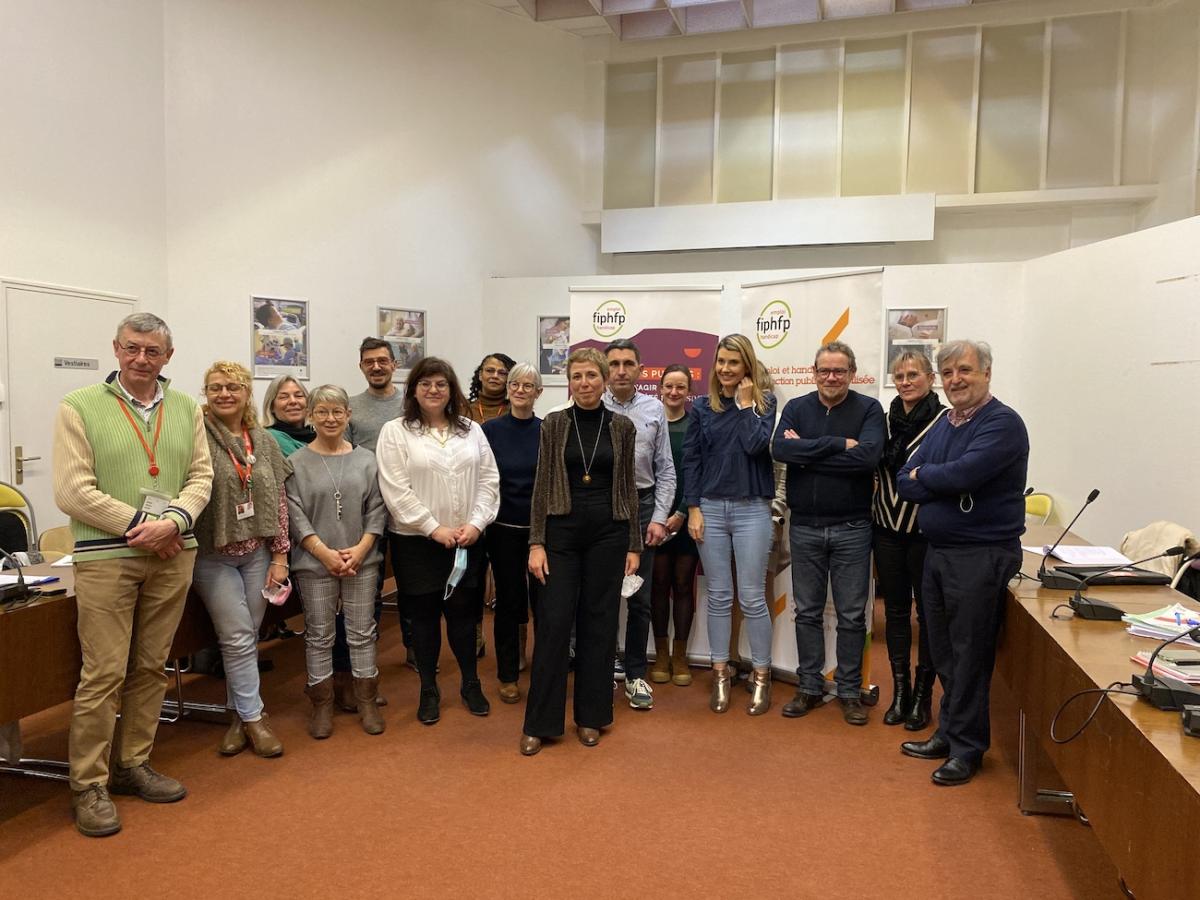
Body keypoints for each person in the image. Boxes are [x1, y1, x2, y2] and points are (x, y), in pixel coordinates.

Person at [52, 312, 213, 837]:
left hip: (173, 552)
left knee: (151, 667)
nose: (141, 359)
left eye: (152, 351)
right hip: (105, 557)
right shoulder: (79, 407)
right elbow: (73, 491)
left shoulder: (187, 407)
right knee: (102, 674)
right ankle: (88, 785)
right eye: (132, 349)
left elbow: (201, 477)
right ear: (116, 350)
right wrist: (144, 525)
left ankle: (131, 765)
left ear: (169, 356)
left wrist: (173, 523)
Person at [898, 340, 1028, 786]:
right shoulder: (944, 423)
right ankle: (950, 733)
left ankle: (968, 748)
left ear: (987, 372)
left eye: (965, 370)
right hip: (940, 551)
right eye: (949, 372)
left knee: (970, 653)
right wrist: (932, 479)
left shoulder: (1003, 424)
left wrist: (929, 477)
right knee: (943, 649)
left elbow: (965, 474)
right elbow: (904, 476)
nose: (956, 379)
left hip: (981, 554)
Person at [520, 348, 641, 756]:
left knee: (600, 622)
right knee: (553, 623)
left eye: (591, 375)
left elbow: (628, 487)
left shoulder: (622, 427)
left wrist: (633, 544)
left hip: (609, 532)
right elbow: (541, 486)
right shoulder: (554, 424)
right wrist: (536, 542)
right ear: (568, 382)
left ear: (605, 380)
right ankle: (541, 722)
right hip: (561, 532)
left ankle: (592, 716)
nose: (584, 383)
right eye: (577, 376)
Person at [376, 357, 500, 724]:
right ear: (413, 389)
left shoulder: (471, 431)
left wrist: (476, 524)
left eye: (441, 384)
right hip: (417, 543)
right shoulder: (395, 431)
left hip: (466, 541)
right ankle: (429, 688)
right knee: (424, 619)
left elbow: (489, 481)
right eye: (426, 383)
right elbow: (395, 490)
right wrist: (433, 528)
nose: (434, 390)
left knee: (464, 616)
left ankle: (470, 683)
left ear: (452, 390)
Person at [772, 341, 884, 726]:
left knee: (853, 615)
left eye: (839, 371)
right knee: (807, 612)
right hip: (804, 526)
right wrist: (838, 446)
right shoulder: (796, 408)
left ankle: (850, 691)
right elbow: (781, 451)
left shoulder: (869, 409)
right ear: (814, 372)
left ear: (852, 374)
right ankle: (810, 686)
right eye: (824, 370)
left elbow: (868, 457)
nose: (831, 377)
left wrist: (809, 454)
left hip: (853, 528)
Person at [191, 361, 292, 758]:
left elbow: (279, 501)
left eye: (233, 387)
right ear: (206, 393)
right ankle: (255, 719)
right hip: (212, 554)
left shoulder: (263, 440)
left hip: (257, 552)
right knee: (236, 637)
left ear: (247, 393)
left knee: (246, 636)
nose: (224, 394)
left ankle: (237, 715)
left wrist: (280, 556)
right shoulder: (196, 436)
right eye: (215, 387)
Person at [682, 334, 777, 716]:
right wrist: (692, 507)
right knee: (719, 597)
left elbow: (755, 446)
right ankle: (720, 672)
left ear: (747, 367)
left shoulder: (764, 404)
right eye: (720, 361)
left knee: (752, 598)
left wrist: (744, 405)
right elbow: (691, 460)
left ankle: (760, 676)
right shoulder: (702, 407)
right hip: (710, 509)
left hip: (753, 508)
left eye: (733, 363)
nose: (725, 369)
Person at [286, 385, 388, 738]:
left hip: (362, 559)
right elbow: (295, 514)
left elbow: (377, 508)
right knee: (319, 635)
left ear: (348, 415)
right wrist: (323, 552)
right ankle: (322, 704)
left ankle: (366, 701)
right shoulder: (296, 463)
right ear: (311, 416)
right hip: (315, 562)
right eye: (322, 411)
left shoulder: (366, 460)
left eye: (337, 411)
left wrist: (360, 549)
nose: (330, 418)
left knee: (361, 633)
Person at [872, 351, 946, 729]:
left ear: (930, 378)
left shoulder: (945, 420)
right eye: (899, 375)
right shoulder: (884, 421)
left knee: (928, 614)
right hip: (885, 528)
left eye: (913, 374)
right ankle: (899, 692)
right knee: (895, 611)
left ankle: (922, 695)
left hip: (925, 533)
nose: (905, 381)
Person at [602, 339, 675, 710]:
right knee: (600, 596)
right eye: (613, 363)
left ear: (640, 368)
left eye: (628, 363)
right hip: (601, 510)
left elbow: (666, 469)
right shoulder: (590, 406)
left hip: (643, 507)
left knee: (640, 598)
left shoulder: (654, 409)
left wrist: (660, 517)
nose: (620, 370)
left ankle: (634, 674)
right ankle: (600, 671)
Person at [481, 363, 543, 703]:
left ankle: (542, 665)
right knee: (508, 601)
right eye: (515, 384)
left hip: (540, 533)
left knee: (543, 601)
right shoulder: (490, 431)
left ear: (538, 392)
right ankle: (508, 672)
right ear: (508, 389)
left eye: (528, 385)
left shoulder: (549, 430)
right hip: (503, 529)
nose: (521, 390)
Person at [648, 364, 698, 687]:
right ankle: (661, 654)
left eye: (681, 387)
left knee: (682, 584)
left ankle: (680, 655)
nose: (674, 392)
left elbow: (699, 472)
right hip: (655, 518)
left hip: (686, 515)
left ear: (688, 391)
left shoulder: (697, 425)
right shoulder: (651, 424)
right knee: (658, 584)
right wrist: (658, 515)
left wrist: (681, 511)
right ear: (660, 389)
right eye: (669, 386)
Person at [467, 351, 516, 658]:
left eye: (502, 372)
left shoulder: (515, 411)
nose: (495, 376)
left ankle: (514, 643)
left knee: (508, 579)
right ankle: (474, 635)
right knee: (472, 574)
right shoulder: (463, 410)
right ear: (480, 375)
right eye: (490, 370)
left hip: (508, 502)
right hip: (470, 502)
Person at [262, 376, 315, 455]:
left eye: (299, 396)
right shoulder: (272, 438)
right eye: (284, 397)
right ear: (271, 406)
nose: (293, 401)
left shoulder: (314, 434)